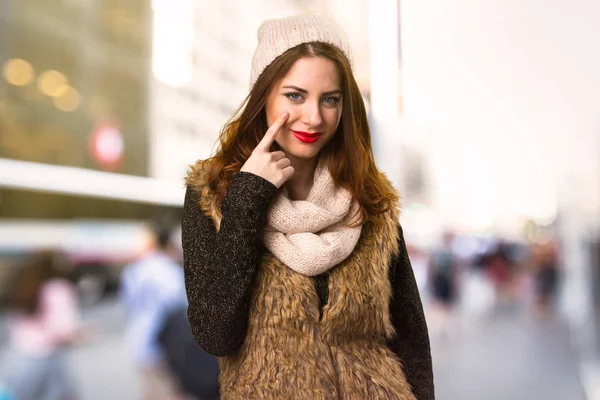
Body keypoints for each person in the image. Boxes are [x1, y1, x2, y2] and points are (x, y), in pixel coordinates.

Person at [182, 13, 434, 399]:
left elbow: (411, 341)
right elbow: (215, 333)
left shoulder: (371, 199)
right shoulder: (214, 194)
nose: (314, 117)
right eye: (295, 95)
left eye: (330, 99)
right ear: (263, 94)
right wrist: (249, 195)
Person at [120, 222, 191, 400]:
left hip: (140, 338)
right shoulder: (167, 269)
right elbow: (179, 305)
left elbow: (127, 302)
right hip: (164, 342)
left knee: (153, 390)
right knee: (170, 391)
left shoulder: (133, 269)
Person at [0, 250, 83, 400]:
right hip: (48, 359)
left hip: (19, 359)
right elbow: (64, 331)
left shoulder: (23, 287)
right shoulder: (58, 289)